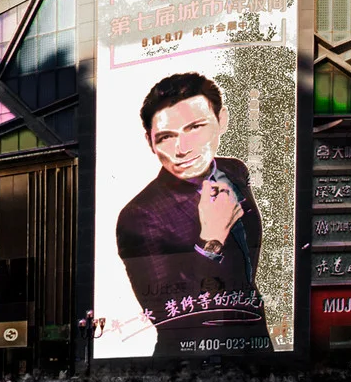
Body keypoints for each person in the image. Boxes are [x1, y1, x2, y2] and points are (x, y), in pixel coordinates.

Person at [115, 72, 270, 356]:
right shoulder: (138, 217)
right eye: (165, 137)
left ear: (221, 121)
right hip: (189, 364)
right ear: (150, 142)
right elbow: (169, 317)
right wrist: (210, 242)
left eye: (196, 127)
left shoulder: (234, 171)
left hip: (256, 344)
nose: (182, 149)